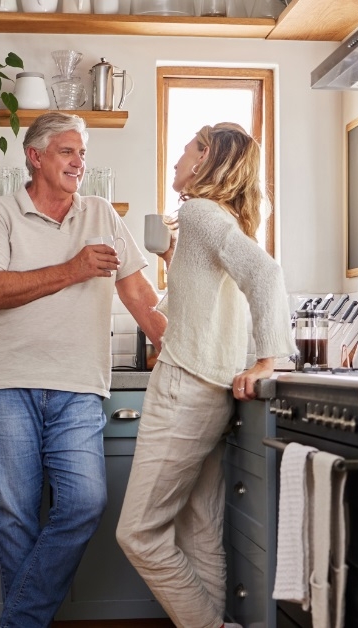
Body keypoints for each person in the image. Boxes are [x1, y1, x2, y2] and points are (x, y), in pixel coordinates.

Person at [0, 111, 167, 628]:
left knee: (84, 503)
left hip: (78, 387)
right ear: (35, 157)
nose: (79, 163)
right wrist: (73, 269)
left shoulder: (101, 214)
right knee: (15, 521)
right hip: (4, 385)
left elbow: (139, 295)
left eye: (82, 153)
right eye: (67, 152)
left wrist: (174, 340)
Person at [116, 123, 294, 628]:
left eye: (187, 151)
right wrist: (172, 260)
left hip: (185, 389)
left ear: (206, 160)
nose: (177, 160)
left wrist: (270, 357)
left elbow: (266, 274)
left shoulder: (198, 211)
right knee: (199, 530)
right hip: (211, 393)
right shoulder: (219, 219)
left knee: (138, 534)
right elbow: (201, 305)